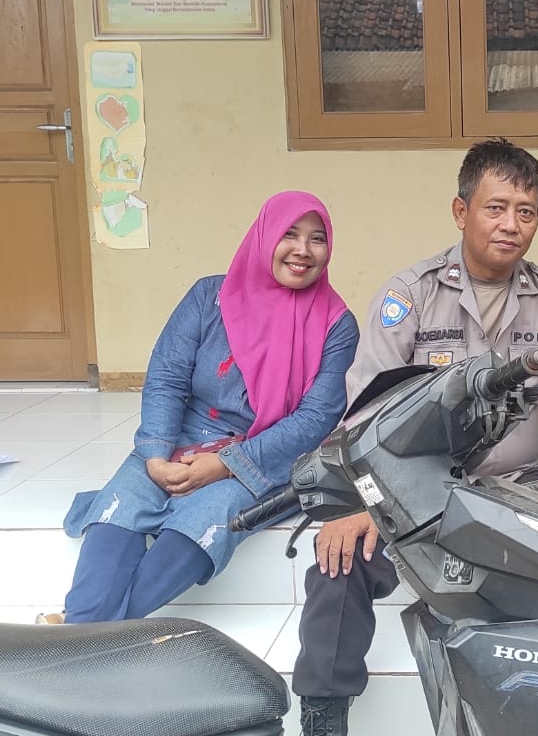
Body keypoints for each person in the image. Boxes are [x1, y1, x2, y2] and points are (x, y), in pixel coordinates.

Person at [273, 139, 538, 736]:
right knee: (337, 568)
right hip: (412, 494)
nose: (511, 224)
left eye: (527, 211)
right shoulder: (412, 294)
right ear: (462, 211)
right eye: (496, 207)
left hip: (511, 495)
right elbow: (360, 414)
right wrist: (354, 503)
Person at [46, 193, 358, 625]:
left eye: (317, 239)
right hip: (181, 439)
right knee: (123, 502)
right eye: (289, 234)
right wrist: (155, 455)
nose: (303, 250)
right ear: (264, 236)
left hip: (265, 455)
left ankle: (78, 632)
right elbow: (166, 377)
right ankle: (90, 636)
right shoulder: (209, 297)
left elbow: (314, 420)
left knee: (210, 516)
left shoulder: (336, 325)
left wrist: (226, 464)